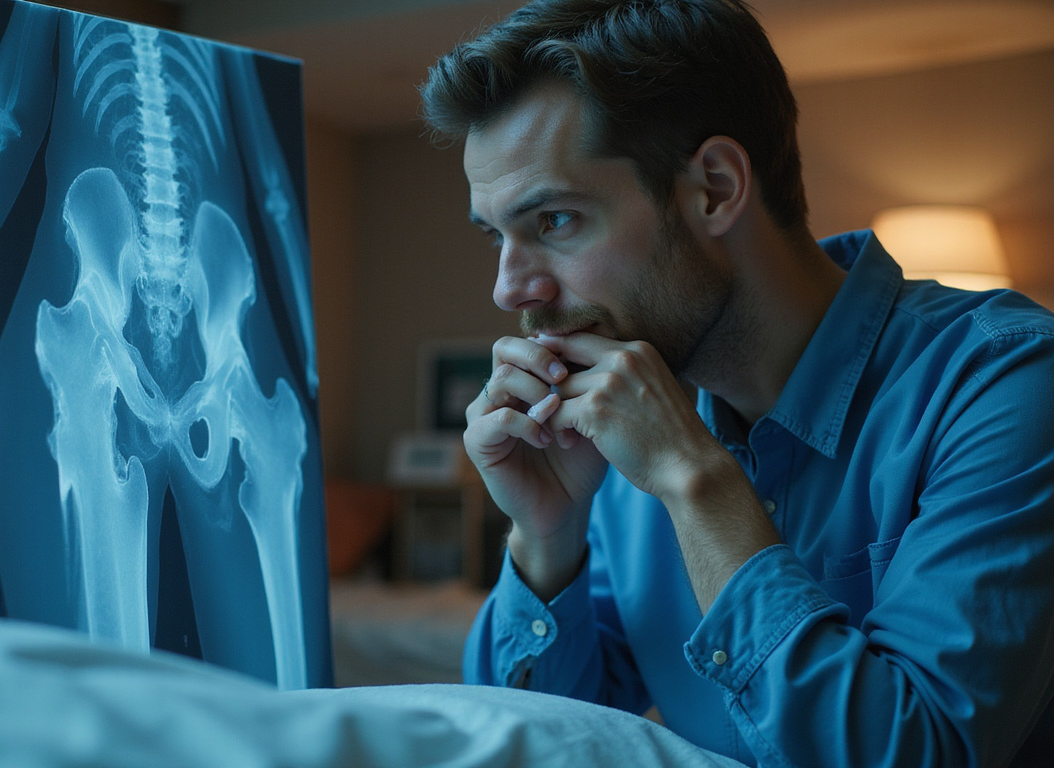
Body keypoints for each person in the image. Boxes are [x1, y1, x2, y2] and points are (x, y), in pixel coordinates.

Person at [419, 1, 1054, 765]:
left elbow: (914, 753)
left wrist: (697, 486)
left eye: (554, 221)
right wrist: (547, 535)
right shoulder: (621, 407)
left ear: (715, 189)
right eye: (497, 236)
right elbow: (529, 740)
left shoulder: (1004, 381)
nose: (508, 289)